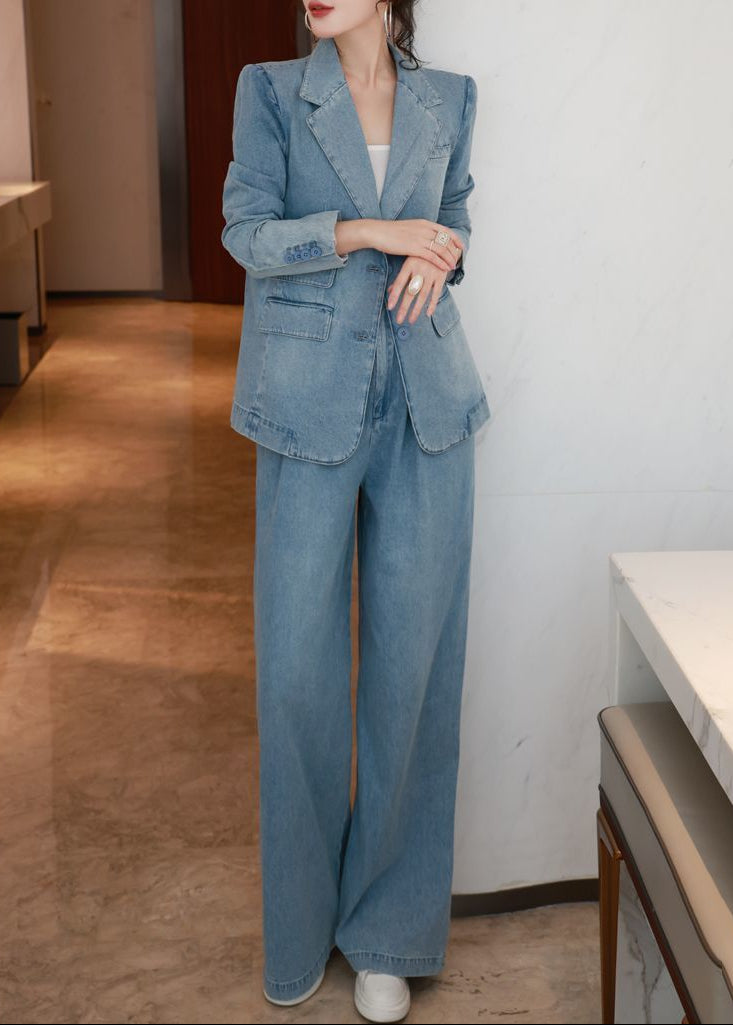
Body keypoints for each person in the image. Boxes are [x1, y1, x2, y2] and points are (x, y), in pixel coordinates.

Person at [221, 1, 490, 1020]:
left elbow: (456, 217)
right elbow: (246, 232)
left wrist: (437, 251)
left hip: (427, 405)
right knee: (297, 675)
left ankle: (386, 931)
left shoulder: (449, 99)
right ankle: (297, 932)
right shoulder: (269, 92)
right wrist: (371, 232)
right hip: (303, 404)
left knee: (410, 675)